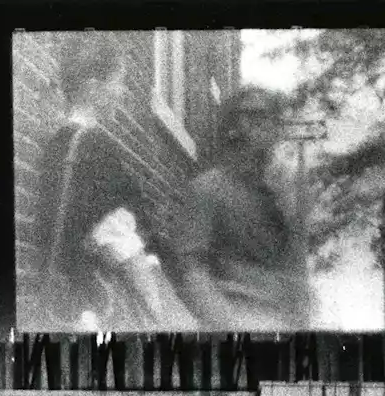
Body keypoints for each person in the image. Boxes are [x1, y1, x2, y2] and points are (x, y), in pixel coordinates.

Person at [29, 34, 197, 333]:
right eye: (118, 82)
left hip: (66, 304)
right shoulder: (96, 148)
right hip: (99, 307)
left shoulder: (57, 146)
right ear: (94, 88)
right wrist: (160, 311)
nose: (122, 92)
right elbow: (117, 241)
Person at [165, 86, 313, 330]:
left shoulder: (285, 195)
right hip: (232, 320)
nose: (251, 128)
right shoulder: (208, 189)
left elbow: (296, 272)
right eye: (245, 118)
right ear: (232, 131)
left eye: (263, 118)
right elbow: (190, 270)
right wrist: (230, 327)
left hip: (280, 324)